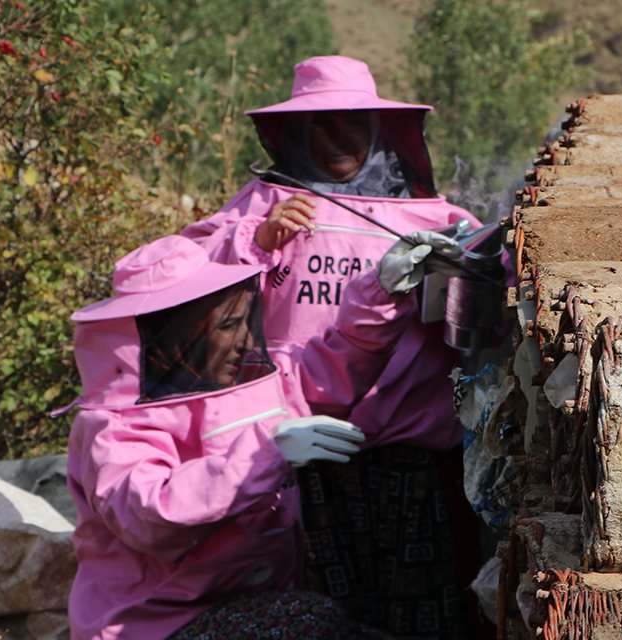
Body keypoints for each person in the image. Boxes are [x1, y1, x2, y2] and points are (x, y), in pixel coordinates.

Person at [182, 55, 491, 638]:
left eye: (352, 121)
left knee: (420, 618)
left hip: (412, 460)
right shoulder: (258, 205)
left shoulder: (435, 216)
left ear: (378, 129)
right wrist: (257, 238)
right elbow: (175, 279)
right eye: (320, 123)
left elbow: (487, 315)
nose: (338, 136)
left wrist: (467, 270)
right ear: (293, 132)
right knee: (316, 613)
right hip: (298, 451)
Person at [63, 231, 457, 639]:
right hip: (150, 624)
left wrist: (382, 289)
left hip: (244, 597)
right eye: (230, 326)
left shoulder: (243, 378)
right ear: (176, 339)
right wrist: (265, 456)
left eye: (244, 322)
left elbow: (322, 377)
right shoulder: (110, 427)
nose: (246, 341)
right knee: (310, 620)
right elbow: (151, 512)